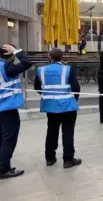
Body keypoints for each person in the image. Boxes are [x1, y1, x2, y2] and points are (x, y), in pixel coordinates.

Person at [34, 48, 82, 169]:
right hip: (68, 106)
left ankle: (50, 158)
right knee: (68, 132)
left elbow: (37, 87)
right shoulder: (68, 69)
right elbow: (76, 87)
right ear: (61, 57)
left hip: (51, 106)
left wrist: (48, 96)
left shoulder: (41, 70)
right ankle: (68, 159)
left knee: (51, 131)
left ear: (49, 57)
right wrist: (73, 99)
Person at [0, 44, 33, 179]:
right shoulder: (6, 67)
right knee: (9, 139)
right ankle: (4, 169)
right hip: (7, 108)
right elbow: (27, 62)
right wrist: (16, 51)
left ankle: (1, 166)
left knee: (1, 138)